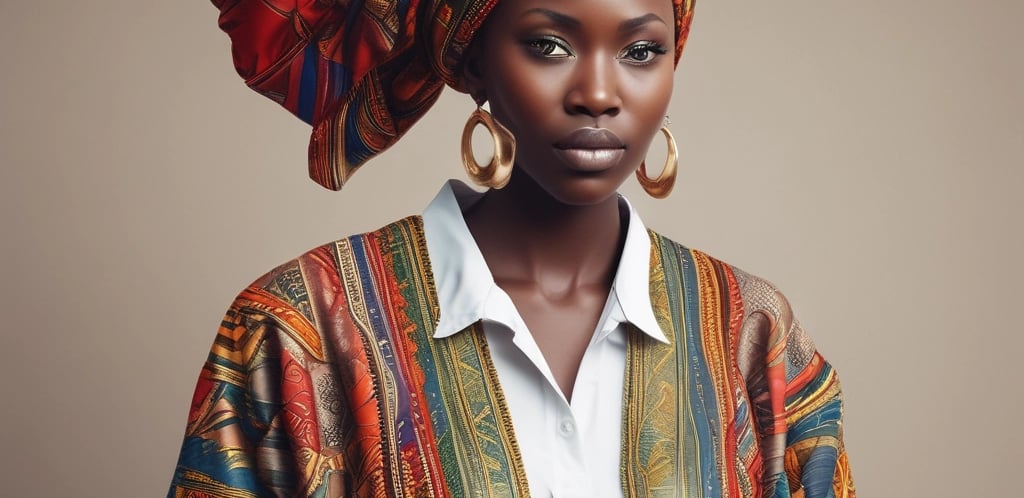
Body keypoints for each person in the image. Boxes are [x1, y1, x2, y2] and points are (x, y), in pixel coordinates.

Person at [168, 0, 855, 496]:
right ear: (472, 65)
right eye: (549, 46)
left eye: (641, 51)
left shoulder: (753, 334)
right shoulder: (299, 330)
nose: (598, 93)